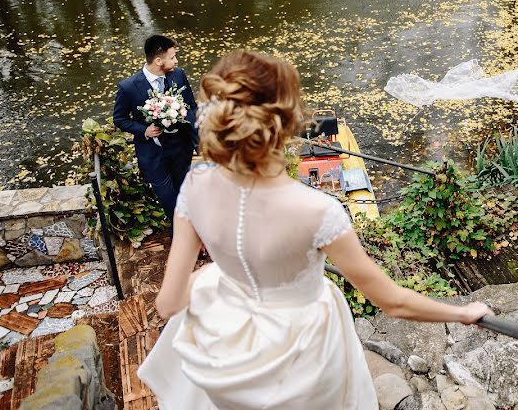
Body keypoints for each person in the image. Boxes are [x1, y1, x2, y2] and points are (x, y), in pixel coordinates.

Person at [137, 50, 492, 409]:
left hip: (226, 345)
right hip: (303, 353)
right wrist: (463, 313)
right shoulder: (320, 211)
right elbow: (392, 300)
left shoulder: (195, 184)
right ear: (287, 122)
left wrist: (211, 273)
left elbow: (168, 305)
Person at [113, 35, 199, 225]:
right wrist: (144, 130)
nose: (176, 61)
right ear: (159, 61)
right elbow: (119, 119)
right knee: (169, 200)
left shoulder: (178, 75)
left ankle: (188, 239)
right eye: (173, 57)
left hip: (180, 150)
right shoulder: (128, 87)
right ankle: (184, 239)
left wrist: (198, 143)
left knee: (184, 196)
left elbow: (191, 107)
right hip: (153, 155)